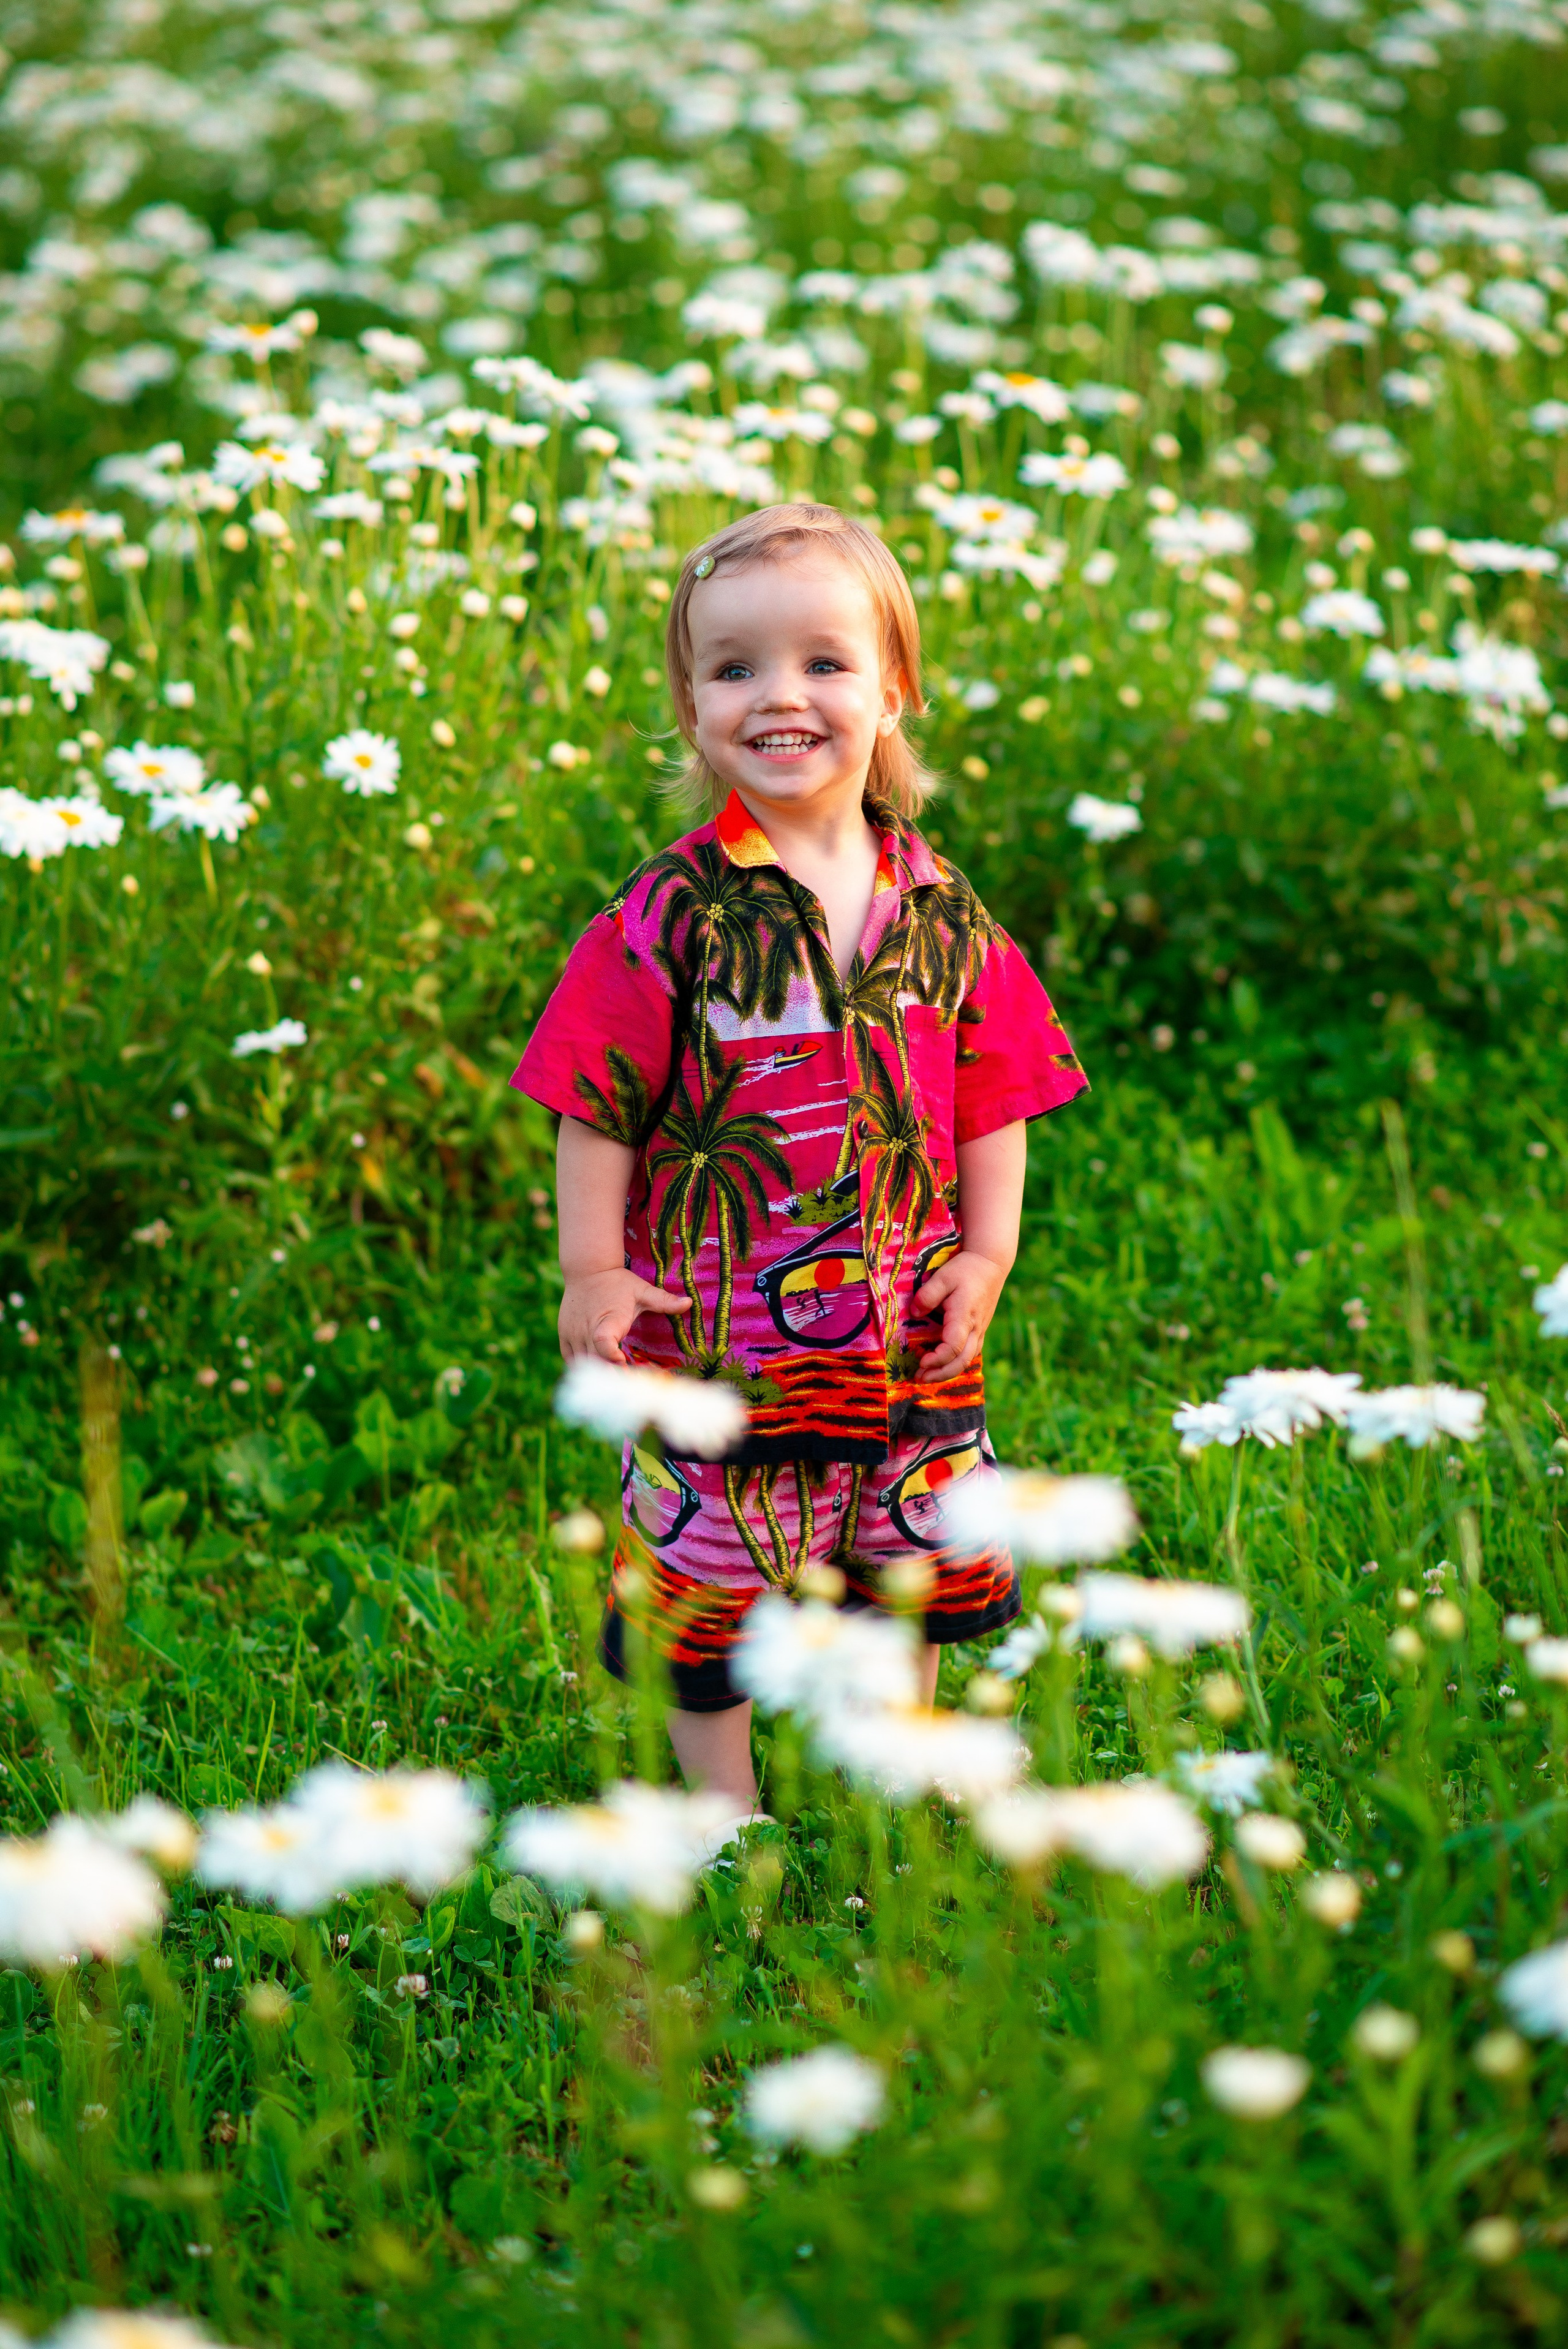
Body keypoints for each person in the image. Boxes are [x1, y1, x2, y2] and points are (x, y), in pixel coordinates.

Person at [511, 502, 1088, 1813]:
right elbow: (591, 1104)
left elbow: (993, 1094)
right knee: (709, 1567)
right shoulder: (666, 916)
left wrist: (986, 1252)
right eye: (734, 668)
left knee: (913, 1551)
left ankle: (899, 1765)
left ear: (893, 692)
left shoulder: (939, 908)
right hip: (716, 1338)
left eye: (824, 663)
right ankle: (724, 1809)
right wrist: (592, 1270)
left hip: (906, 1332)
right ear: (690, 706)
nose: (781, 696)